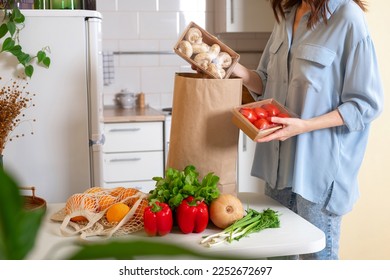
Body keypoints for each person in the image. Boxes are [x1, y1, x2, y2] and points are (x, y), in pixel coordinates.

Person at [232, 0, 384, 260]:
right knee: (278, 263)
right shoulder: (286, 16)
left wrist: (305, 126)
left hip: (318, 173)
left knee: (317, 265)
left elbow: (366, 104)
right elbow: (266, 80)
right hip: (277, 168)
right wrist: (235, 70)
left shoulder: (348, 17)